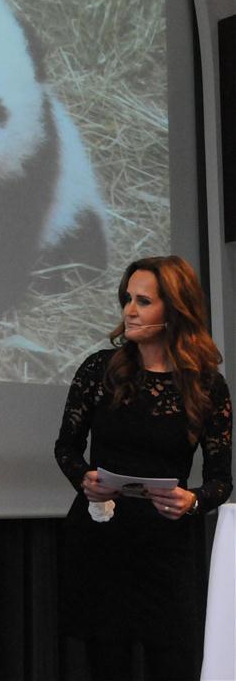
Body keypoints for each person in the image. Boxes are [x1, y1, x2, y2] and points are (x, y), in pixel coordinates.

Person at [54, 255, 232, 681]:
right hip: (102, 539)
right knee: (106, 664)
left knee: (172, 664)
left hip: (166, 550)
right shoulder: (100, 369)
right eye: (127, 299)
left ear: (174, 309)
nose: (129, 310)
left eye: (143, 301)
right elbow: (66, 447)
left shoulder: (207, 385)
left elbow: (221, 480)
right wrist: (85, 479)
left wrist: (193, 502)